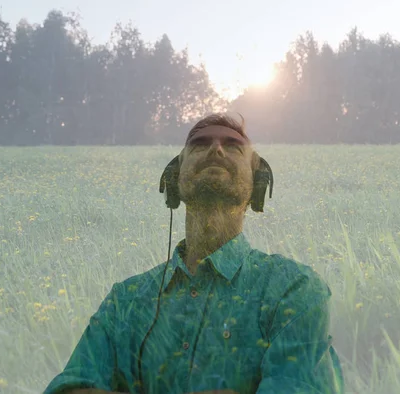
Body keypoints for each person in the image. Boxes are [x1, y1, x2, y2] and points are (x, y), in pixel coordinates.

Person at [43, 113, 344, 394]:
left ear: (258, 184)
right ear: (173, 178)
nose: (216, 150)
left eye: (233, 147)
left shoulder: (293, 289)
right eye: (200, 144)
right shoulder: (126, 301)